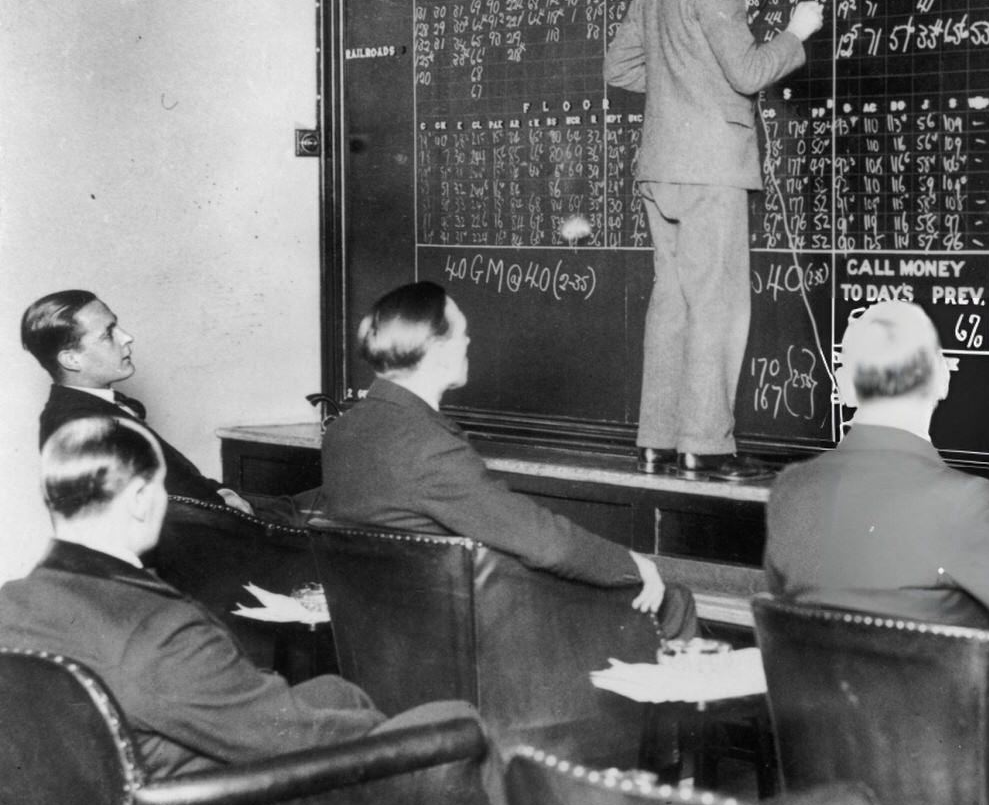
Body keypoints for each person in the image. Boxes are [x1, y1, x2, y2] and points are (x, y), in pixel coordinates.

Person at [0, 415, 477, 778]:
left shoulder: (13, 603)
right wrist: (382, 732)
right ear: (142, 498)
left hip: (116, 801)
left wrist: (346, 704)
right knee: (454, 722)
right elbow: (289, 738)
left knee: (337, 693)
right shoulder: (159, 632)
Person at [604, 0, 825, 482]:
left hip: (661, 166)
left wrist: (682, 87)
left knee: (671, 302)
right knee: (719, 306)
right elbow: (750, 71)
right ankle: (706, 445)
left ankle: (657, 442)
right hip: (711, 170)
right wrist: (796, 32)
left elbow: (620, 68)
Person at [320, 281, 696, 640]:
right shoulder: (428, 447)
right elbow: (550, 546)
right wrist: (633, 564)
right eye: (460, 334)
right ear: (436, 350)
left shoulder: (344, 432)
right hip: (478, 635)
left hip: (396, 633)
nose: (468, 342)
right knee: (672, 599)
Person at [764, 301, 989, 664]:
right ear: (942, 377)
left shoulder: (790, 490)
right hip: (940, 720)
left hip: (818, 718)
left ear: (844, 386)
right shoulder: (963, 504)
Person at [21, 289, 270, 515]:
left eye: (117, 326)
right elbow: (163, 513)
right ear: (72, 360)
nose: (127, 337)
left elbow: (175, 482)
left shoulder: (90, 410)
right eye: (108, 334)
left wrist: (224, 493)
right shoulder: (81, 425)